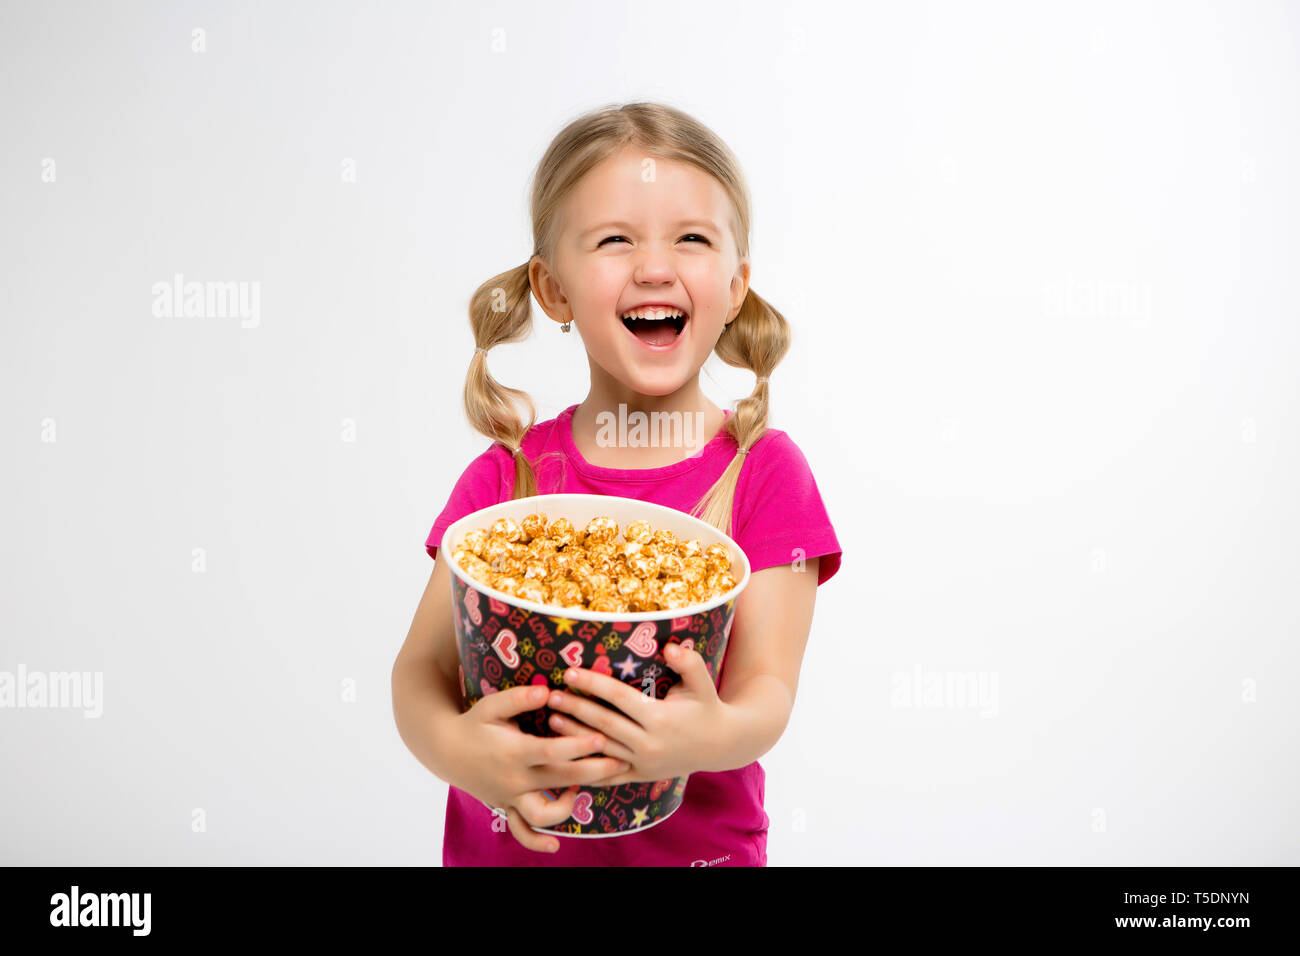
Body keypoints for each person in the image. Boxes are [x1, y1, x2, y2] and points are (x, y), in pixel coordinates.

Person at [392, 102, 842, 866]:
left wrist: (708, 737)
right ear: (554, 290)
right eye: (614, 240)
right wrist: (462, 755)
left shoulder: (763, 472)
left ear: (735, 287)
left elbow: (768, 694)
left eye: (691, 239)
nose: (655, 268)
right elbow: (419, 673)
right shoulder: (509, 478)